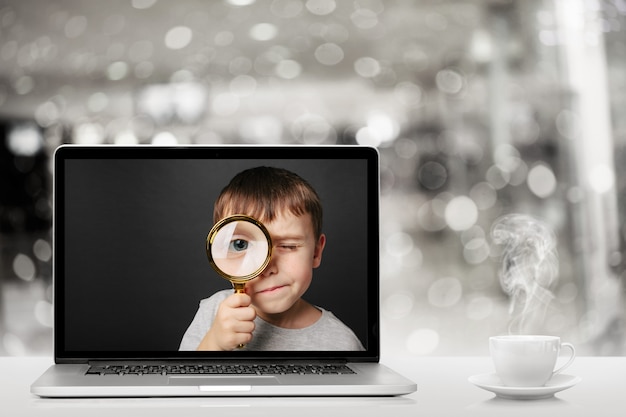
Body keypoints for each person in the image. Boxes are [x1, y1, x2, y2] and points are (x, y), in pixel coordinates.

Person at [179, 166, 365, 351]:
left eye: (288, 246)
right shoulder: (214, 312)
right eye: (240, 245)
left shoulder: (342, 342)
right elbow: (184, 380)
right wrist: (214, 343)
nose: (267, 267)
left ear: (316, 252)